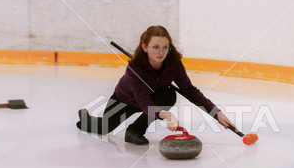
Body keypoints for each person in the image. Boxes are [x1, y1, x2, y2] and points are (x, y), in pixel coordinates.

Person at [76, 25, 235, 145]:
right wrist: (167, 115)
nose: (161, 52)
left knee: (169, 95)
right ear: (144, 47)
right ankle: (85, 118)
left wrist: (216, 113)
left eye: (165, 47)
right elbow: (144, 102)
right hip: (125, 100)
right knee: (103, 128)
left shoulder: (173, 64)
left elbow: (189, 91)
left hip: (152, 99)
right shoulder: (135, 68)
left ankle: (134, 131)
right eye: (155, 47)